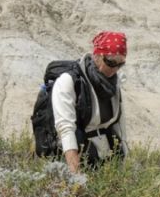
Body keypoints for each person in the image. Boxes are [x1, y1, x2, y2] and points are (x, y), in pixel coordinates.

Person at [53, 31, 129, 173]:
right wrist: (75, 177)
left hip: (103, 156)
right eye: (111, 62)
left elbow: (120, 126)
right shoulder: (68, 81)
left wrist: (124, 167)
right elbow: (66, 129)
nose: (115, 69)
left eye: (120, 64)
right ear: (97, 56)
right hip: (75, 157)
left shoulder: (114, 84)